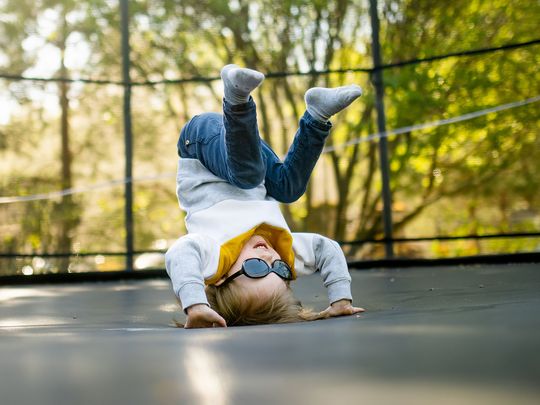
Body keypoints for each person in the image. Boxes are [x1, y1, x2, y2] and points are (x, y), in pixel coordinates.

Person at [165, 64, 365, 328]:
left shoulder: (215, 258)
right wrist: (340, 298)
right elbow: (326, 249)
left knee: (246, 175)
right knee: (288, 188)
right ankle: (317, 114)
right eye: (281, 271)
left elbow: (180, 254)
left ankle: (236, 100)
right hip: (246, 152)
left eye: (256, 268)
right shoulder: (286, 251)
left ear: (223, 278)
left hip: (201, 146)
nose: (270, 259)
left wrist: (196, 304)